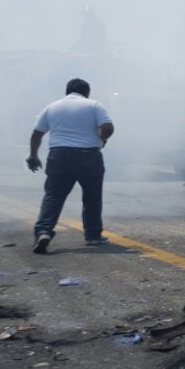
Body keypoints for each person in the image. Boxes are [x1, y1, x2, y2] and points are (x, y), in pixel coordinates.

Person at [27, 78, 115, 253]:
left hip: (59, 155)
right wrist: (101, 138)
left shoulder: (52, 107)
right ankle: (93, 235)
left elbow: (37, 134)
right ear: (87, 92)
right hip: (89, 155)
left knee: (53, 196)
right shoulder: (94, 105)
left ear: (67, 91)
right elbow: (108, 127)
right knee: (92, 196)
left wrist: (33, 156)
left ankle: (44, 232)